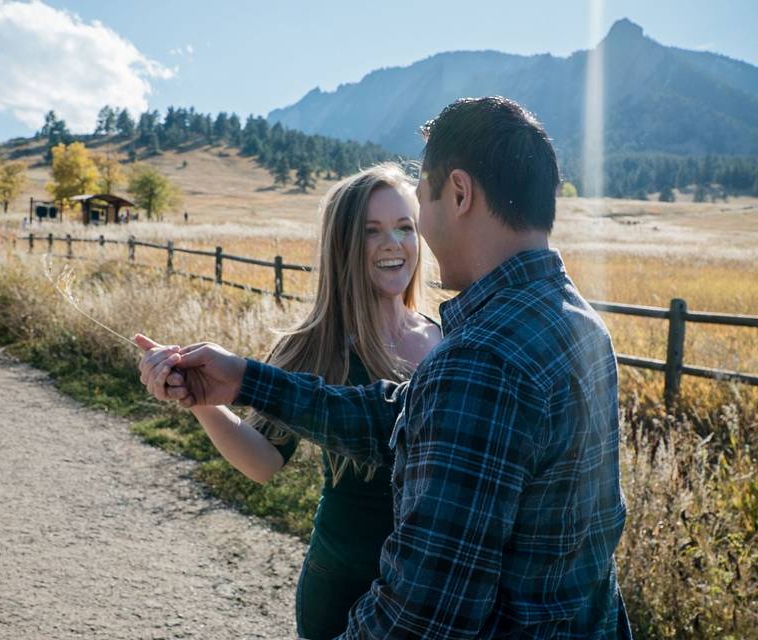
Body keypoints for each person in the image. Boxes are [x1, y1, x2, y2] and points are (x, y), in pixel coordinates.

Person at [138, 97, 631, 638]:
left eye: (419, 207)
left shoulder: (477, 357)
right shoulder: (579, 324)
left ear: (460, 194)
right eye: (375, 229)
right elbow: (403, 418)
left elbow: (424, 615)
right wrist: (249, 382)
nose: (412, 234)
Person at [140, 162, 442, 639]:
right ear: (343, 245)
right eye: (372, 231)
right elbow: (263, 462)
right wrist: (200, 399)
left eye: (406, 227)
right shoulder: (315, 346)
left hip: (434, 591)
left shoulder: (449, 339)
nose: (394, 243)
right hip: (344, 585)